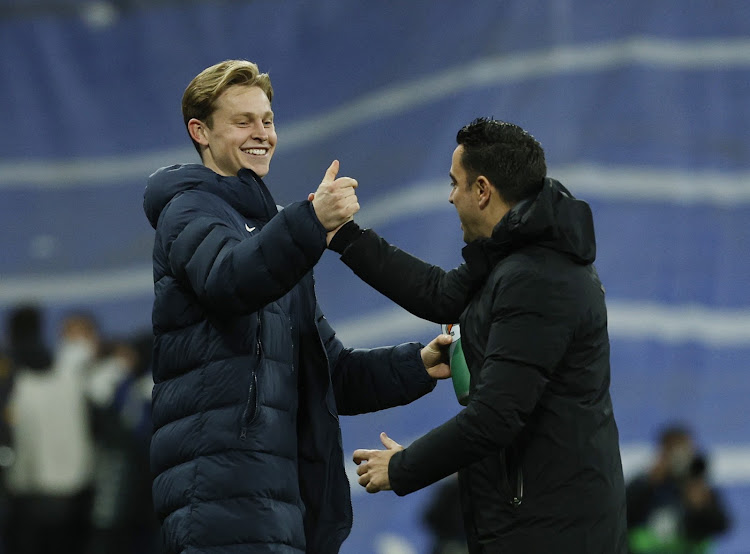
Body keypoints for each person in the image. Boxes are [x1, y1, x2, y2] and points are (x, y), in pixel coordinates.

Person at [142, 59, 452, 554]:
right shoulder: (188, 210)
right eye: (242, 121)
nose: (261, 133)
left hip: (279, 495)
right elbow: (229, 280)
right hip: (219, 492)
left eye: (267, 120)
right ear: (199, 132)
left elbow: (331, 373)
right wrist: (309, 220)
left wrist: (419, 363)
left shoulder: (274, 242)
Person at [327, 118, 628, 552]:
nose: (451, 196)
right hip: (532, 520)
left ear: (482, 190)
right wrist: (344, 236)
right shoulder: (512, 255)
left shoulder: (537, 277)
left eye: (456, 183)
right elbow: (440, 295)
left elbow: (495, 417)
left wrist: (403, 467)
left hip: (553, 531)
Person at [626, 424, 730, 553]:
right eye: (674, 452)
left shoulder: (699, 488)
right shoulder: (645, 484)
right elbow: (621, 518)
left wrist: (701, 508)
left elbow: (721, 526)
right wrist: (649, 484)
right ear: (663, 452)